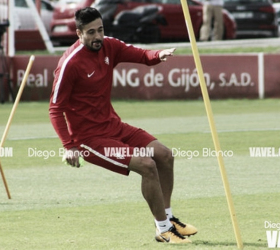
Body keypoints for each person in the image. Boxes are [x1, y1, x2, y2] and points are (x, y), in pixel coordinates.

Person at [49, 7, 198, 244]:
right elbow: (55, 109)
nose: (98, 36)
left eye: (100, 29)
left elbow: (140, 55)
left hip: (114, 126)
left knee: (165, 155)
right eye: (91, 32)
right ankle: (162, 230)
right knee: (147, 165)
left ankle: (169, 220)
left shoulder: (109, 45)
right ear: (79, 33)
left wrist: (158, 54)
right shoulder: (69, 63)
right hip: (90, 140)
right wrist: (69, 146)